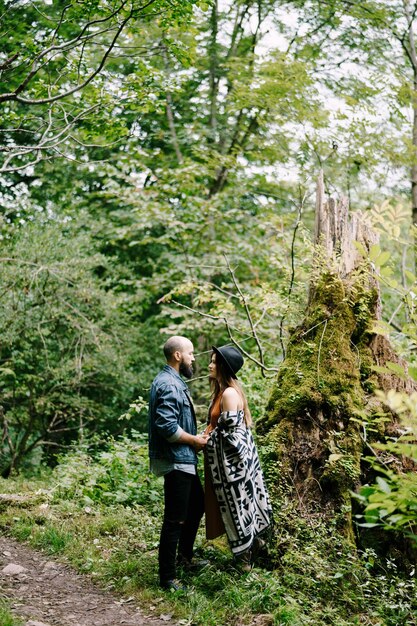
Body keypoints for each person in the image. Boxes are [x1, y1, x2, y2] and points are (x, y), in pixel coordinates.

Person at [205, 345, 273, 571]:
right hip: (224, 467)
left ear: (224, 367)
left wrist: (206, 439)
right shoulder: (222, 392)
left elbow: (232, 434)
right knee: (233, 508)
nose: (210, 365)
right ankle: (252, 552)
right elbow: (219, 428)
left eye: (214, 362)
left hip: (234, 468)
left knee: (238, 506)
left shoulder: (230, 393)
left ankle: (245, 562)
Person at [148, 335, 208, 591]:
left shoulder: (172, 381)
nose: (193, 357)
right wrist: (194, 440)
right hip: (177, 461)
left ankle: (185, 557)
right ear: (178, 356)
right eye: (191, 353)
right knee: (174, 519)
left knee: (197, 505)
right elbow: (166, 425)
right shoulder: (170, 385)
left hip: (184, 459)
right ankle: (168, 578)